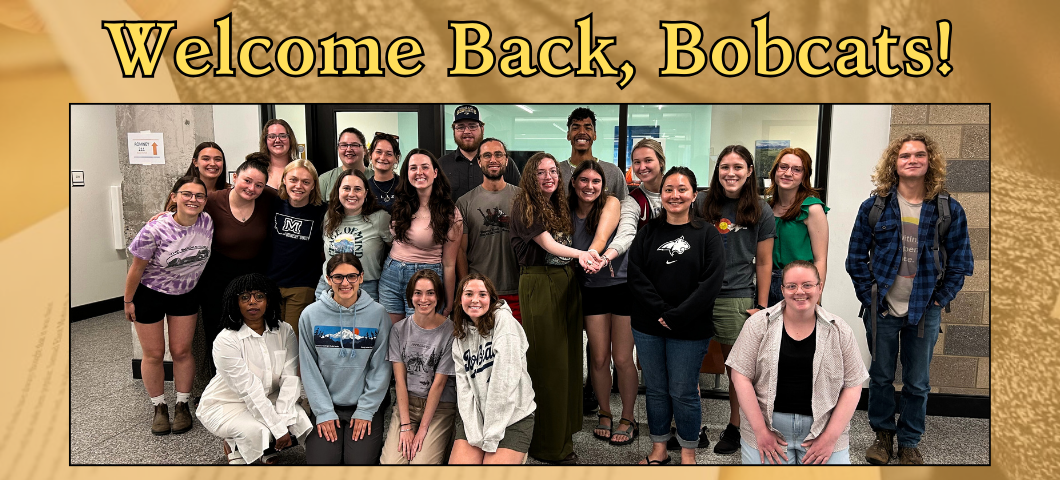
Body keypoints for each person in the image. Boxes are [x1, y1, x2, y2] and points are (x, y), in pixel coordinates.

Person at [846, 132, 974, 465]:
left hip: (925, 308)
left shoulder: (947, 209)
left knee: (918, 381)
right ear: (895, 163)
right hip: (883, 308)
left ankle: (910, 440)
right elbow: (856, 257)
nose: (912, 160)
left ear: (929, 161)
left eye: (919, 155)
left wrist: (939, 298)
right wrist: (870, 295)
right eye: (904, 156)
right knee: (881, 376)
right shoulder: (875, 206)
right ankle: (883, 436)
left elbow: (961, 261)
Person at [627, 167, 724, 465]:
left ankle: (688, 454)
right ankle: (658, 449)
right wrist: (661, 311)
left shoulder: (707, 234)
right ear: (662, 195)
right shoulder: (649, 232)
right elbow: (636, 275)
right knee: (656, 389)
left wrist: (678, 315)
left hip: (691, 327)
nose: (675, 195)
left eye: (682, 189)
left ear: (694, 195)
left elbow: (711, 282)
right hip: (648, 324)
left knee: (683, 391)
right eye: (669, 189)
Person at [727, 261, 868, 465]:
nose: (799, 292)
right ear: (782, 290)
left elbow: (854, 385)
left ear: (820, 287)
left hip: (824, 430)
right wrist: (761, 431)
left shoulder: (840, 330)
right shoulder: (758, 325)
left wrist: (829, 438)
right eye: (791, 286)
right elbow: (740, 376)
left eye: (807, 285)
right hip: (768, 427)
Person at [509, 152, 599, 464]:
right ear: (530, 176)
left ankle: (564, 432)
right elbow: (548, 245)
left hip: (566, 283)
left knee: (571, 362)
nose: (548, 177)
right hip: (540, 283)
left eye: (553, 172)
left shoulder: (557, 203)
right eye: (541, 172)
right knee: (549, 366)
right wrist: (583, 255)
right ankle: (547, 446)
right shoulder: (524, 204)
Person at [698, 144, 776, 455]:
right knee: (690, 366)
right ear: (717, 172)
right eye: (725, 167)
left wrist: (762, 305)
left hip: (737, 297)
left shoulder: (761, 209)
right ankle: (693, 427)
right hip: (699, 296)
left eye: (738, 167)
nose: (731, 173)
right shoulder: (701, 202)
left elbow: (764, 262)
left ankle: (734, 427)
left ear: (749, 172)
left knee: (737, 371)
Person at [123, 175, 213, 435]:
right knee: (153, 354)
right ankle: (159, 407)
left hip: (185, 292)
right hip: (150, 294)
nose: (193, 200)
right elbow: (136, 269)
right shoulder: (154, 229)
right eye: (186, 194)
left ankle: (182, 405)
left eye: (199, 196)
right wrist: (128, 301)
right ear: (174, 196)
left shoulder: (207, 221)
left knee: (182, 351)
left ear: (205, 200)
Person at [196, 273, 313, 465]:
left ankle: (265, 447)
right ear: (236, 303)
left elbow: (290, 378)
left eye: (259, 296)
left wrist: (283, 418)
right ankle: (233, 444)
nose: (253, 302)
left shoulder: (285, 330)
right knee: (258, 430)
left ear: (269, 300)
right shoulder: (226, 340)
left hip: (270, 397)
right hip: (229, 403)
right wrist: (278, 428)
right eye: (245, 297)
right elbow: (248, 390)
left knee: (298, 419)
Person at [568, 160, 639, 446]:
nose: (589, 186)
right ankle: (605, 412)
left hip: (622, 285)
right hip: (592, 288)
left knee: (622, 358)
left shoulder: (611, 203)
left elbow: (599, 239)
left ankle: (629, 416)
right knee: (598, 357)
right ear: (573, 183)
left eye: (595, 181)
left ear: (603, 184)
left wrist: (592, 258)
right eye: (583, 180)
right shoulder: (566, 210)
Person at [299, 253, 393, 465]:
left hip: (364, 404)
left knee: (359, 465)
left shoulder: (378, 314)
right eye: (338, 277)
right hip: (325, 403)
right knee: (322, 465)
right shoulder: (310, 315)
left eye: (351, 276)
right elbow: (308, 367)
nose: (345, 283)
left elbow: (381, 368)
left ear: (361, 278)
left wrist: (365, 410)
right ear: (328, 279)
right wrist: (323, 412)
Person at [449, 274, 536, 465]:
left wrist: (491, 435)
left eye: (482, 294)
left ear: (491, 299)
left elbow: (505, 382)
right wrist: (475, 431)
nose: (475, 300)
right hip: (476, 417)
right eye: (469, 294)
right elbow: (464, 390)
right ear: (460, 299)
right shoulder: (460, 336)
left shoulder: (504, 322)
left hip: (512, 417)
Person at [200, 154, 277, 357]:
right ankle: (221, 380)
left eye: (259, 185)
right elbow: (186, 207)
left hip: (254, 274)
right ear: (235, 178)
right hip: (218, 276)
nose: (252, 188)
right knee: (219, 330)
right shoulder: (214, 200)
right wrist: (167, 214)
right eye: (247, 181)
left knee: (252, 328)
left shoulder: (268, 199)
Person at [380, 270, 458, 465]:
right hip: (408, 404)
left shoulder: (451, 331)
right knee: (391, 465)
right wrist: (406, 426)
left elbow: (439, 385)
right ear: (410, 296)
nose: (424, 299)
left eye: (430, 293)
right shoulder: (398, 330)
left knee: (420, 465)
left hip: (439, 406)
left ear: (438, 296)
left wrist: (423, 429)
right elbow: (399, 381)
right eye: (418, 293)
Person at [378, 148, 462, 323]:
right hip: (391, 274)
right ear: (407, 173)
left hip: (426, 279)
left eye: (425, 167)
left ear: (435, 172)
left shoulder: (450, 213)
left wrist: (448, 302)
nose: (419, 172)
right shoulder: (400, 203)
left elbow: (449, 264)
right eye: (413, 168)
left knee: (419, 339)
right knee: (392, 335)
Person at [456, 138, 522, 320]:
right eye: (487, 155)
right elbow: (460, 251)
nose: (493, 159)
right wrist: (466, 288)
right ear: (479, 161)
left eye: (498, 154)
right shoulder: (464, 202)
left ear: (506, 160)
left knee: (513, 347)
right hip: (479, 292)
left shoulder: (522, 198)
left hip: (516, 288)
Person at [266, 159, 327, 334]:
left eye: (305, 182)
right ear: (284, 179)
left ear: (313, 185)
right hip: (272, 283)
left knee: (292, 339)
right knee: (272, 336)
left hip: (303, 285)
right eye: (293, 180)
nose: (298, 186)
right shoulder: (274, 204)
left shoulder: (322, 211)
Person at [765, 148, 829, 306]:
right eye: (783, 167)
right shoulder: (767, 208)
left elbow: (820, 260)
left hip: (799, 286)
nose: (788, 173)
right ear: (775, 170)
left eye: (796, 170)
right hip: (767, 283)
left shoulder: (812, 208)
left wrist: (815, 300)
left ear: (804, 176)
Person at [319, 169, 392, 302]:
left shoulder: (380, 218)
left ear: (366, 193)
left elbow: (396, 250)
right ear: (338, 191)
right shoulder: (329, 216)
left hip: (366, 288)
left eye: (357, 189)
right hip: (329, 286)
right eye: (346, 188)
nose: (351, 194)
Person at [438, 104, 521, 201]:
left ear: (482, 129)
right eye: (460, 127)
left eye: (472, 126)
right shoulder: (442, 164)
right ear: (454, 130)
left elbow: (520, 197)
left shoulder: (502, 162)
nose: (467, 131)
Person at [557, 107, 628, 201]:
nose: (582, 132)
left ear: (594, 135)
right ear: (568, 135)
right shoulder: (556, 172)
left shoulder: (613, 172)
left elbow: (625, 208)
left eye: (588, 128)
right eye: (575, 128)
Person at [164, 141, 229, 212]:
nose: (212, 163)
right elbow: (170, 217)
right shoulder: (182, 190)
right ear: (195, 162)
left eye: (217, 159)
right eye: (206, 159)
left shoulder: (230, 192)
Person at [319, 127, 368, 200]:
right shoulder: (325, 180)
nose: (348, 149)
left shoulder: (376, 178)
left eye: (354, 145)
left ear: (364, 150)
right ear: (338, 149)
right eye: (344, 145)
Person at [260, 118, 300, 189]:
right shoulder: (257, 169)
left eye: (283, 136)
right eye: (272, 136)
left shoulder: (301, 169)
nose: (277, 140)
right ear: (265, 141)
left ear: (290, 140)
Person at [366, 132, 401, 213]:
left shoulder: (405, 185)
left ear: (396, 158)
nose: (382, 157)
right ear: (370, 155)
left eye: (389, 154)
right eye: (378, 152)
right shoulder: (365, 187)